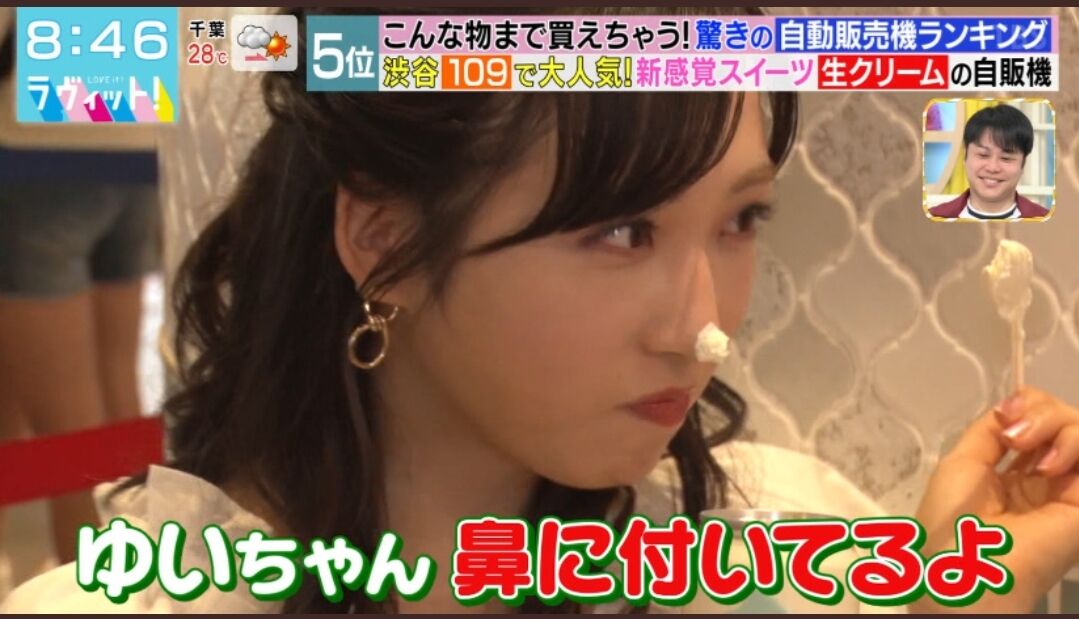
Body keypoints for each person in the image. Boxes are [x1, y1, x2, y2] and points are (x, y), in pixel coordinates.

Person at [5, 6, 1079, 614]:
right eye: (622, 231)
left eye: (740, 219)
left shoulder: (770, 543)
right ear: (383, 241)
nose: (701, 327)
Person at [0, 8, 161, 568]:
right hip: (138, 138)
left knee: (67, 424)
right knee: (113, 383)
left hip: (35, 154)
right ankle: (143, 571)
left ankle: (96, 585)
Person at [928, 103, 1051, 220]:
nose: (992, 168)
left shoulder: (1045, 221)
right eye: (983, 155)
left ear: (1023, 164)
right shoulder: (934, 218)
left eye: (1006, 158)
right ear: (965, 157)